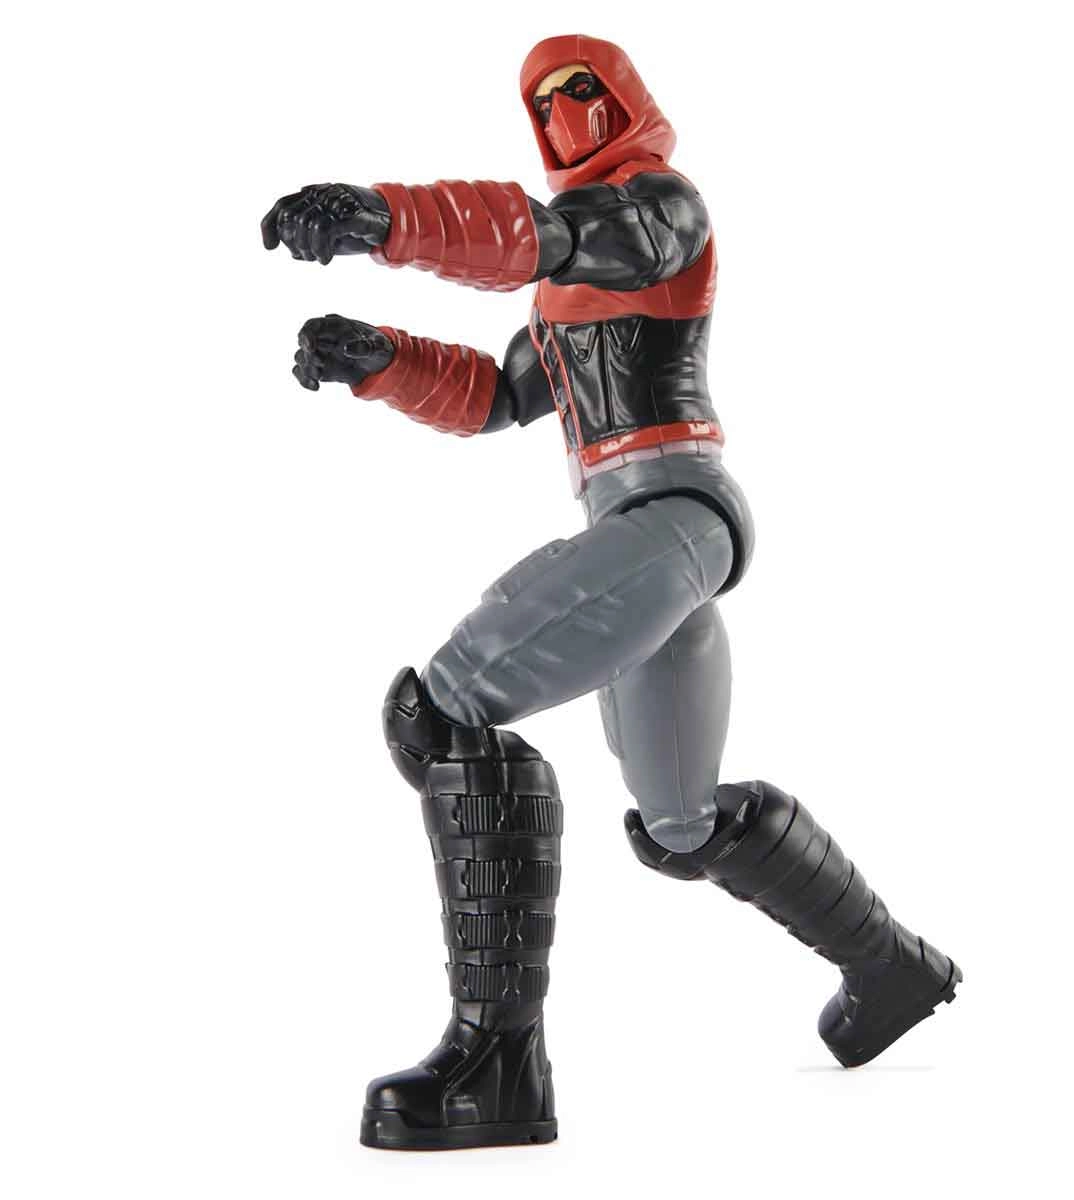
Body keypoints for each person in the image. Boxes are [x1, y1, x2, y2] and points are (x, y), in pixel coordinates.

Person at [262, 32, 961, 1152]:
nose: (564, 112)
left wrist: (384, 219)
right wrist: (377, 360)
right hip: (642, 535)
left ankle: (498, 1066)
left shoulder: (659, 210)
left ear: (625, 97)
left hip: (674, 512)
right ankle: (893, 967)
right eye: (542, 100)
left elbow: (549, 235)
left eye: (581, 88)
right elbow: (497, 394)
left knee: (441, 710)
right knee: (680, 827)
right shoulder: (562, 289)